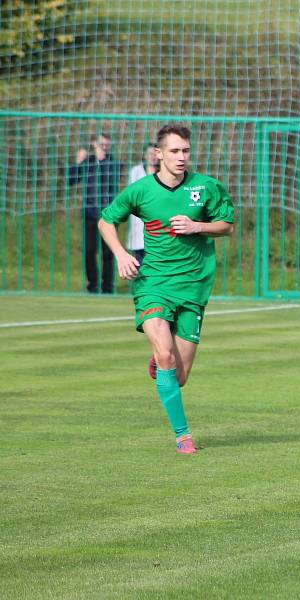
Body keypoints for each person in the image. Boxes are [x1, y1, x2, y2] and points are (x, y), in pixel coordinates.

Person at [98, 124, 235, 454]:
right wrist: (120, 254)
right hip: (153, 284)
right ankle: (183, 436)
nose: (181, 157)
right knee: (165, 355)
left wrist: (197, 225)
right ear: (158, 154)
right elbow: (105, 220)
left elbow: (227, 226)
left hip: (194, 286)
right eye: (174, 151)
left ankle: (163, 363)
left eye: (186, 151)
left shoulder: (206, 187)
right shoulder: (141, 190)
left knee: (180, 375)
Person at [67, 132, 124, 293]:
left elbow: (115, 178)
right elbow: (70, 180)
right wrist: (78, 162)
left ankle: (107, 287)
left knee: (108, 252)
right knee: (90, 251)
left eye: (107, 144)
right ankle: (92, 286)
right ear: (94, 144)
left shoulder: (114, 163)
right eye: (102, 144)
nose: (104, 147)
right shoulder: (87, 162)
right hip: (90, 213)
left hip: (108, 215)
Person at [126, 143, 160, 264]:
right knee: (140, 263)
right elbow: (132, 196)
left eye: (155, 154)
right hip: (139, 222)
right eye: (150, 154)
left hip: (159, 224)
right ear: (145, 155)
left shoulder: (165, 172)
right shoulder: (136, 171)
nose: (153, 157)